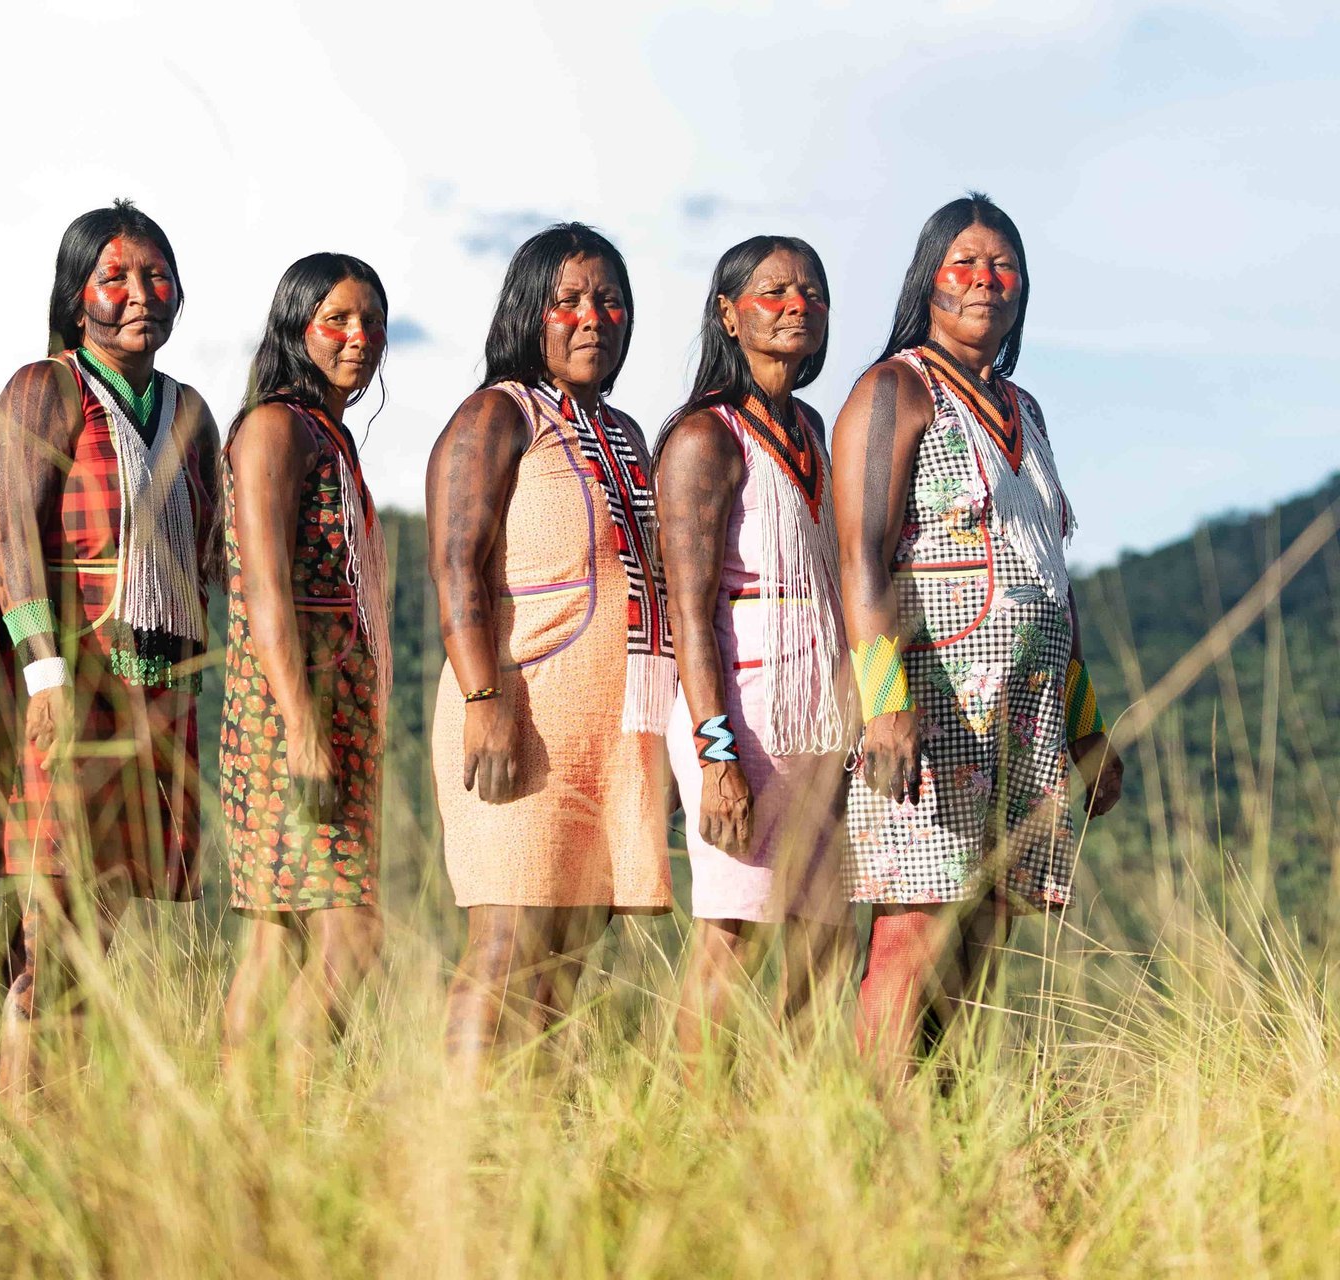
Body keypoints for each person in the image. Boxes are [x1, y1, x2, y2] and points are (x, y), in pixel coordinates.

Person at [830, 193, 1126, 1074]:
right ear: (929, 279)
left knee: (985, 927)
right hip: (930, 701)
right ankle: (875, 1124)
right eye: (965, 263)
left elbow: (1050, 579)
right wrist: (883, 703)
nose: (985, 280)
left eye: (1003, 266)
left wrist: (1087, 725)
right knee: (914, 925)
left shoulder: (1026, 409)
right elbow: (862, 554)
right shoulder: (895, 388)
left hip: (1027, 711)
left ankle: (948, 1123)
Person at [0, 201, 220, 1099]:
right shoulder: (46, 388)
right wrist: (43, 672)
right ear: (75, 295)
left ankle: (61, 1122)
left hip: (154, 687)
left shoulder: (189, 412)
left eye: (156, 276)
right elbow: (11, 532)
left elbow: (208, 555)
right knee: (51, 926)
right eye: (114, 277)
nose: (139, 294)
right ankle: (25, 1126)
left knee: (100, 923)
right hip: (65, 683)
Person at [426, 223, 674, 1081]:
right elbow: (455, 562)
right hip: (519, 716)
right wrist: (483, 701)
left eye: (609, 300)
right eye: (567, 300)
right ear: (529, 312)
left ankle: (533, 1141)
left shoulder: (627, 432)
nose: (591, 316)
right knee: (505, 943)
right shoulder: (499, 413)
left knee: (567, 955)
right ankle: (461, 1141)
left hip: (614, 733)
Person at [655, 236, 852, 1059]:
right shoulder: (705, 436)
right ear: (729, 315)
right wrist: (717, 757)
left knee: (826, 936)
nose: (796, 304)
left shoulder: (812, 428)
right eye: (773, 291)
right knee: (732, 935)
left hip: (819, 716)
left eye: (811, 291)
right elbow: (689, 611)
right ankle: (695, 1121)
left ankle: (791, 1114)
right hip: (744, 713)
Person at [218, 253, 392, 1066]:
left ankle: (243, 1120)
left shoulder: (328, 433)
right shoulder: (275, 427)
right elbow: (263, 587)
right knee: (350, 934)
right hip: (289, 711)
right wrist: (301, 729)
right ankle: (288, 1102)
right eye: (338, 320)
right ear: (297, 328)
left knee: (277, 935)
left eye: (372, 322)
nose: (360, 337)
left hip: (335, 709)